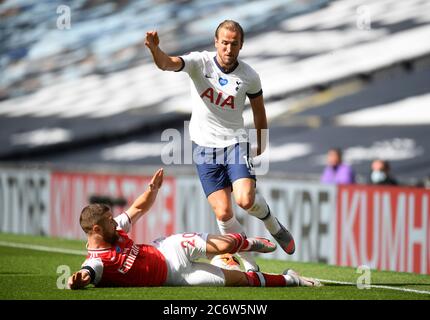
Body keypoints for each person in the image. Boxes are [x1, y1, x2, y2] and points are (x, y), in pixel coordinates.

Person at [144, 20, 295, 272]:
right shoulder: (198, 62)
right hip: (204, 148)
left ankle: (273, 226)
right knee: (224, 214)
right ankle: (250, 263)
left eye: (234, 44)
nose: (228, 48)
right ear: (216, 42)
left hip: (235, 143)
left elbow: (259, 111)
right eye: (224, 43)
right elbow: (166, 63)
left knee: (245, 200)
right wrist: (154, 49)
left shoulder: (249, 76)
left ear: (241, 45)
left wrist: (262, 144)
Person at [67, 168, 321, 289]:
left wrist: (151, 191)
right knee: (241, 281)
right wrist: (75, 281)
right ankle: (292, 279)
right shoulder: (98, 261)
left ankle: (243, 245)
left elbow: (137, 209)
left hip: (168, 249)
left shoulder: (115, 230)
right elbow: (86, 273)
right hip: (174, 278)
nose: (116, 221)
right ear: (97, 230)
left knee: (226, 243)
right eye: (110, 221)